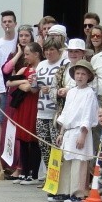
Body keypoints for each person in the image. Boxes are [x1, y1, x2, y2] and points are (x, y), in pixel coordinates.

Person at [54, 60, 98, 202]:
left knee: (79, 162)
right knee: (67, 161)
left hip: (80, 131)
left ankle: (77, 193)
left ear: (88, 76)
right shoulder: (71, 92)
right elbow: (66, 113)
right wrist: (61, 132)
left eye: (83, 74)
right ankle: (64, 190)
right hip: (68, 131)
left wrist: (83, 134)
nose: (80, 76)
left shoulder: (89, 93)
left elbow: (88, 114)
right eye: (78, 73)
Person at [7, 43, 43, 184]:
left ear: (36, 54)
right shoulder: (24, 69)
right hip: (23, 106)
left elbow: (29, 88)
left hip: (34, 105)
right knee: (22, 138)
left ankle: (33, 173)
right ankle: (23, 170)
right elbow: (10, 82)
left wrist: (21, 84)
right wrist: (22, 80)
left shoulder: (40, 69)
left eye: (28, 54)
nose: (26, 56)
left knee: (33, 139)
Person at [0, 10, 18, 167]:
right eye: (4, 21)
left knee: (15, 123)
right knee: (1, 121)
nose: (7, 24)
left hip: (17, 87)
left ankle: (13, 156)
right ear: (1, 24)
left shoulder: (19, 42)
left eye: (10, 21)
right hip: (1, 88)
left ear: (15, 23)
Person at [35, 37, 69, 177]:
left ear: (59, 51)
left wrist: (52, 89)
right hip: (41, 110)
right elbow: (34, 87)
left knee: (56, 145)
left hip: (56, 112)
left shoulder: (64, 64)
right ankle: (50, 176)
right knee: (44, 145)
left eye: (52, 49)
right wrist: (33, 83)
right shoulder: (41, 64)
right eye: (46, 50)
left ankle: (58, 177)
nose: (48, 52)